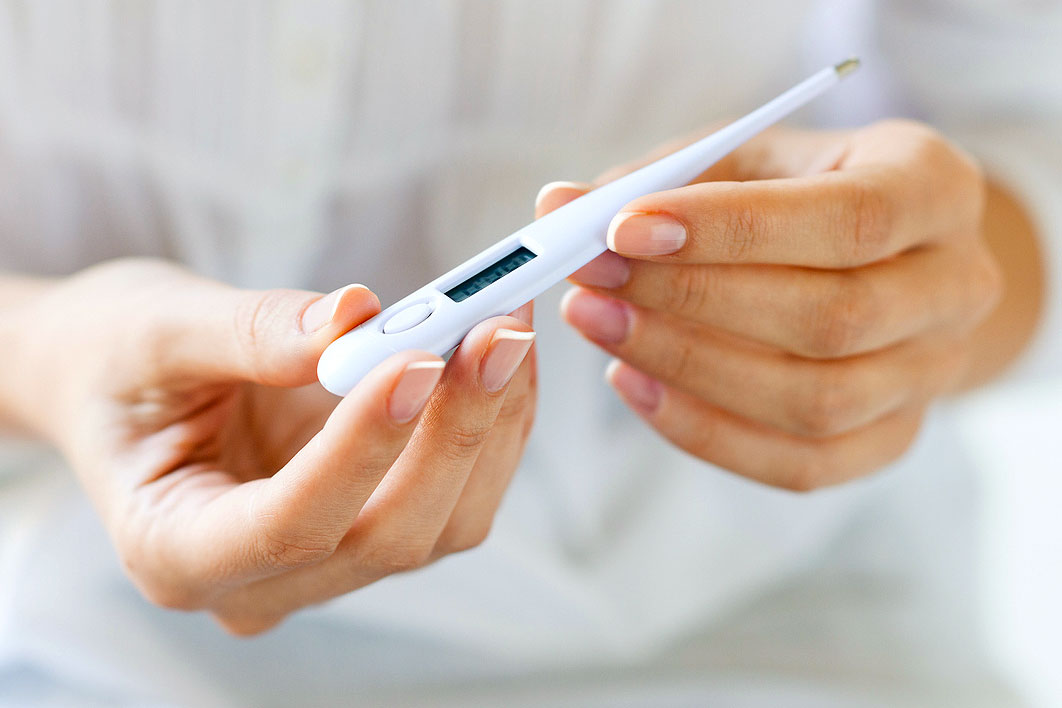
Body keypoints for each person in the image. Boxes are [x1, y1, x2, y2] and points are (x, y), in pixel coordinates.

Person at [0, 1, 1058, 705]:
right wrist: (41, 354)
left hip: (780, 613)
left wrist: (920, 297)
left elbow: (1028, 125)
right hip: (79, 634)